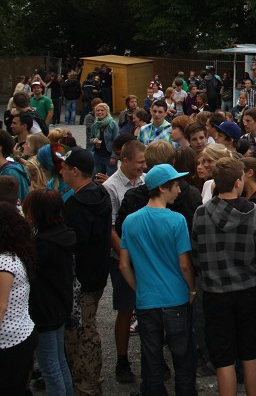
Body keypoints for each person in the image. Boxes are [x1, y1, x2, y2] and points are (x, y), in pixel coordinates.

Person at [191, 157, 256, 396]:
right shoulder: (253, 211)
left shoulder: (201, 213)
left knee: (223, 357)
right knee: (250, 353)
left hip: (215, 292)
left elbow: (196, 253)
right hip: (247, 290)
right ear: (238, 182)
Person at [119, 164, 197, 396]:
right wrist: (192, 290)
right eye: (175, 185)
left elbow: (123, 264)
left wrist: (139, 287)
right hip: (176, 298)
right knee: (183, 357)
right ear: (163, 188)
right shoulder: (177, 220)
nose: (179, 190)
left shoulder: (130, 221)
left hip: (146, 300)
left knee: (151, 357)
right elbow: (184, 263)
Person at [60, 147, 111, 396]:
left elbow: (75, 244)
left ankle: (87, 383)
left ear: (76, 171)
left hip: (82, 278)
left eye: (65, 167)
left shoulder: (77, 203)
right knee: (84, 327)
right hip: (98, 273)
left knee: (83, 330)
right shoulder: (100, 192)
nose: (62, 171)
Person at [102, 139, 147, 384]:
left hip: (145, 257)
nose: (143, 167)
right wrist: (127, 256)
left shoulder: (146, 180)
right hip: (122, 258)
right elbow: (109, 228)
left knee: (149, 307)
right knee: (126, 307)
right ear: (125, 161)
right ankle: (122, 358)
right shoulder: (110, 187)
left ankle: (153, 358)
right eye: (140, 163)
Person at [23, 189, 76, 396]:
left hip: (43, 310)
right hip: (60, 305)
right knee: (60, 362)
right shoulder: (65, 234)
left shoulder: (42, 244)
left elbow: (30, 273)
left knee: (49, 368)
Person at [0, 202, 37, 396]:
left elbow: (1, 306)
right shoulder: (15, 255)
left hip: (8, 341)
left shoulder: (4, 262)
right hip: (21, 334)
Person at [88, 102, 118, 176]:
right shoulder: (95, 124)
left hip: (109, 156)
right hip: (98, 156)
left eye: (102, 110)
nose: (100, 112)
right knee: (98, 178)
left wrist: (114, 156)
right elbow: (90, 139)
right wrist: (93, 140)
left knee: (111, 178)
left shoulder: (113, 124)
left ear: (106, 112)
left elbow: (116, 141)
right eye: (98, 110)